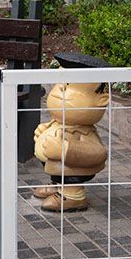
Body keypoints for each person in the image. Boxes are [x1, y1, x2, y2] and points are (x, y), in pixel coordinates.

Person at [32, 52, 111, 212]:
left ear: (101, 100)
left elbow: (98, 152)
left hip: (75, 168)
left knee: (66, 164)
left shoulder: (86, 133)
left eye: (69, 85)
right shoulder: (57, 123)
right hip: (55, 165)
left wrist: (64, 149)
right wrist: (44, 133)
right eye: (60, 83)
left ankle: (73, 196)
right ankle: (58, 185)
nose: (60, 87)